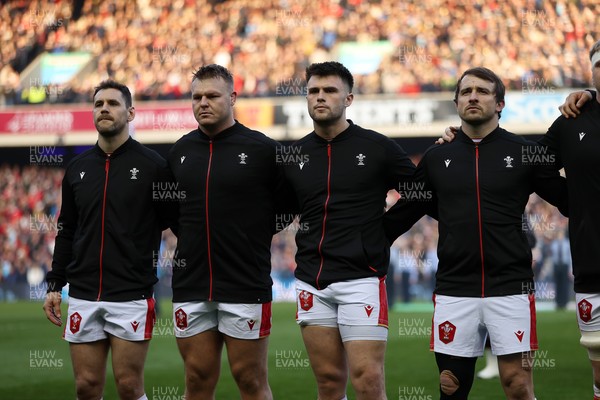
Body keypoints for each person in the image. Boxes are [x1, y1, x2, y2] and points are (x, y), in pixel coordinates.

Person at [385, 67, 568, 400]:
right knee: (451, 386)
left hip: (511, 285)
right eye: (466, 91)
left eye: (482, 91)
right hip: (455, 287)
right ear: (456, 102)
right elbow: (401, 215)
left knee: (518, 385)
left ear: (500, 103)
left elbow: (570, 198)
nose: (473, 96)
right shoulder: (438, 156)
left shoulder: (525, 152)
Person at [282, 61, 416, 400]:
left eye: (330, 91)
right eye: (313, 91)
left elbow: (421, 194)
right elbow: (279, 210)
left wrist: (383, 231)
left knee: (368, 381)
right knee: (328, 383)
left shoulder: (377, 147)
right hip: (311, 279)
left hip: (362, 278)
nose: (320, 97)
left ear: (349, 98)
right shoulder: (293, 154)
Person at [43, 80, 174, 400]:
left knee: (129, 387)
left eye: (113, 103)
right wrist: (54, 284)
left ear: (130, 112)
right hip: (84, 293)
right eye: (98, 103)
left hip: (131, 294)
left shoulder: (154, 166)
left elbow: (179, 223)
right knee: (86, 387)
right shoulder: (77, 168)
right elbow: (67, 229)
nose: (104, 108)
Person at [167, 64, 288, 400]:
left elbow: (290, 203)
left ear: (232, 97)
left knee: (249, 381)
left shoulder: (264, 150)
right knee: (196, 380)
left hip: (245, 282)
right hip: (191, 284)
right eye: (197, 97)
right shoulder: (179, 152)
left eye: (212, 96)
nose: (203, 103)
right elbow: (173, 213)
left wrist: (256, 231)